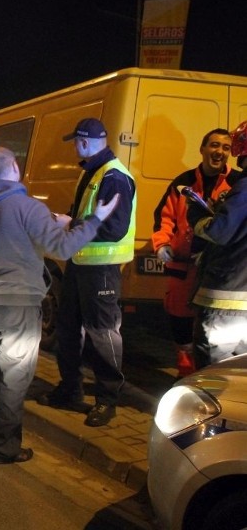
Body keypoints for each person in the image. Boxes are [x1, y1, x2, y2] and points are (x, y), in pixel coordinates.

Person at [0, 146, 120, 464]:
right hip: (18, 302)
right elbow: (64, 247)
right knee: (14, 373)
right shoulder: (28, 208)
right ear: (14, 168)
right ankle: (4, 447)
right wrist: (94, 220)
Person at [37, 118, 136, 428]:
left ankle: (107, 400)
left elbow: (115, 228)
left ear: (84, 141)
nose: (74, 147)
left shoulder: (115, 177)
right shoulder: (93, 172)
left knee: (103, 334)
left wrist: (71, 223)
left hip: (102, 270)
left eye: (75, 142)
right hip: (80, 266)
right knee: (68, 330)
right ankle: (70, 388)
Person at [151, 128, 236, 376]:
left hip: (220, 268)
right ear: (202, 149)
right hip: (183, 265)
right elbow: (164, 219)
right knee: (179, 318)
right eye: (214, 145)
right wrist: (162, 244)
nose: (219, 151)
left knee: (216, 324)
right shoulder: (182, 183)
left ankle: (214, 374)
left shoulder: (238, 183)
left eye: (226, 147)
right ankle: (185, 373)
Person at [186, 120, 247, 366]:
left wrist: (199, 217)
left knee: (214, 371)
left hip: (226, 297)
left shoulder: (244, 187)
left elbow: (220, 232)